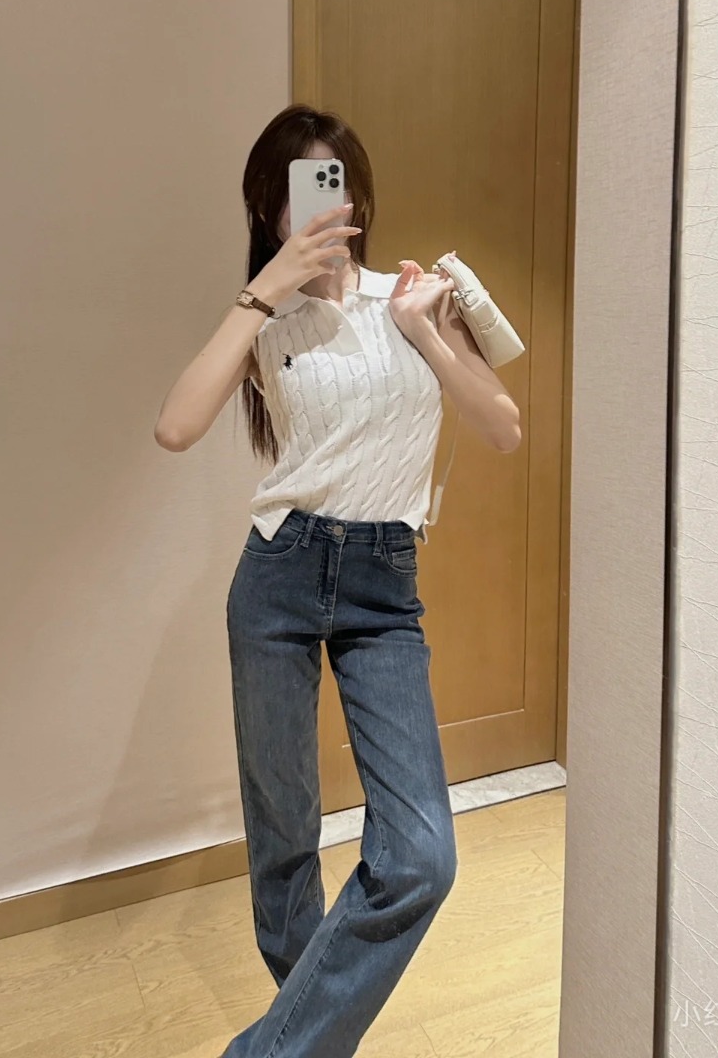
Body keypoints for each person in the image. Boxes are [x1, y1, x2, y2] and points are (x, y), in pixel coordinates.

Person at [154, 105, 522, 1057]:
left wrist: (427, 334)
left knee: (422, 856)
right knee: (284, 834)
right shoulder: (264, 317)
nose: (320, 206)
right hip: (279, 573)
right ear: (267, 208)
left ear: (357, 197)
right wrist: (263, 292)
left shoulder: (414, 299)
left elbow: (503, 427)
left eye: (334, 183)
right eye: (297, 190)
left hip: (382, 588)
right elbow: (176, 427)